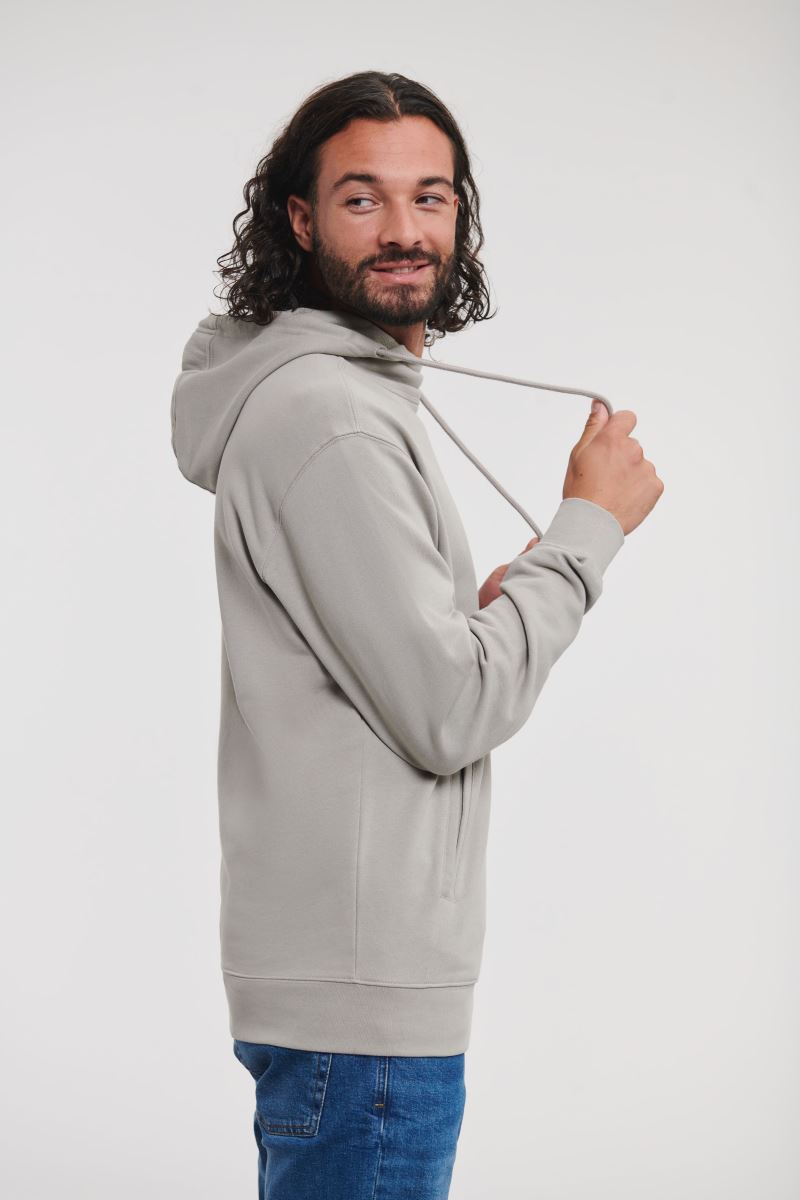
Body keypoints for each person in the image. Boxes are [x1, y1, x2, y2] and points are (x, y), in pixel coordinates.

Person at [170, 69, 663, 1200]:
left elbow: (410, 678)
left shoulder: (341, 398)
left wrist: (491, 613)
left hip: (348, 996)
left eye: (429, 197)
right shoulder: (331, 416)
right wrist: (586, 528)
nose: (403, 230)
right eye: (363, 198)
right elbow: (449, 713)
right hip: (364, 1014)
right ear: (301, 220)